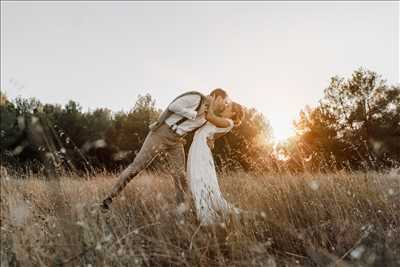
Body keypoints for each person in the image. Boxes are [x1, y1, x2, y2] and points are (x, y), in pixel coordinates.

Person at [100, 88, 228, 211]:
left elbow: (205, 132)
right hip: (162, 133)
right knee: (137, 167)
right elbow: (173, 106)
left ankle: (181, 211)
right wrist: (193, 113)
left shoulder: (208, 117)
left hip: (176, 141)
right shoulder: (196, 98)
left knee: (180, 177)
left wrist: (211, 140)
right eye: (223, 101)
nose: (224, 105)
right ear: (216, 96)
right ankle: (109, 198)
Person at [187, 98, 245, 225]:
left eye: (228, 105)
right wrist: (212, 141)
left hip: (201, 151)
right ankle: (203, 213)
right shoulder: (221, 120)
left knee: (200, 181)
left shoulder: (228, 123)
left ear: (233, 113)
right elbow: (212, 135)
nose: (225, 105)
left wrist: (212, 100)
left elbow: (209, 116)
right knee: (196, 179)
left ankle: (209, 218)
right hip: (198, 147)